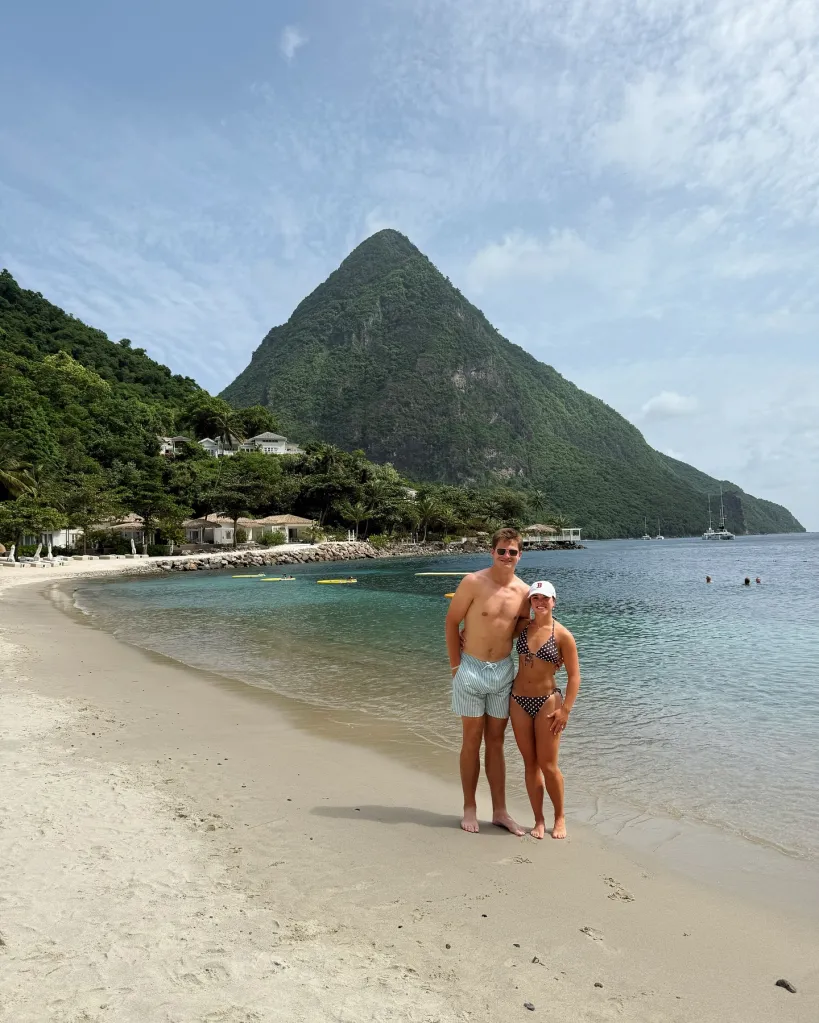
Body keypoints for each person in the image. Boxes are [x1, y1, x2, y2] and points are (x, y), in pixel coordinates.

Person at [445, 527, 530, 834]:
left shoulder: (524, 592)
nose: (507, 556)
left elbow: (521, 627)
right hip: (470, 668)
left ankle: (500, 811)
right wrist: (456, 667)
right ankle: (469, 807)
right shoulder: (473, 582)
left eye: (513, 552)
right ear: (492, 552)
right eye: (501, 551)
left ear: (520, 555)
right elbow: (452, 621)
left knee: (496, 742)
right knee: (471, 738)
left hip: (503, 672)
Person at [509, 580, 580, 839]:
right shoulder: (522, 628)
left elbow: (574, 677)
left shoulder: (562, 635)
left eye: (545, 598)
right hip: (517, 700)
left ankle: (559, 817)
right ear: (530, 602)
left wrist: (566, 711)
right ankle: (538, 819)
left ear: (554, 601)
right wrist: (464, 634)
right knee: (530, 764)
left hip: (548, 702)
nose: (540, 602)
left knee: (548, 765)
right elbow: (492, 629)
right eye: (535, 598)